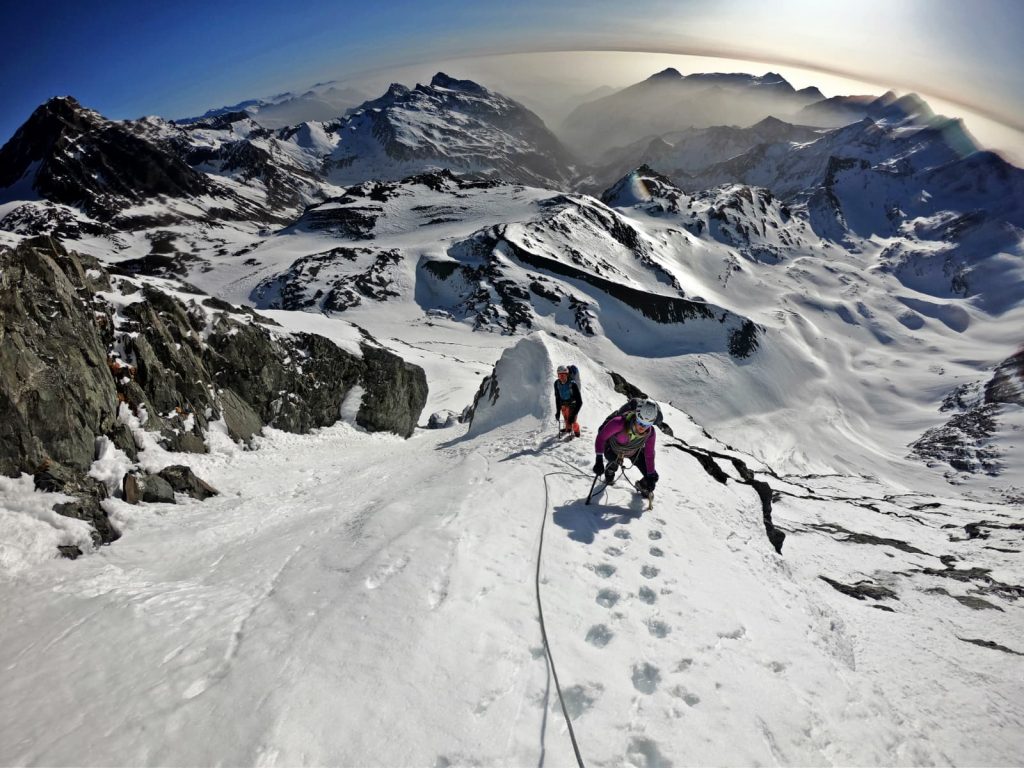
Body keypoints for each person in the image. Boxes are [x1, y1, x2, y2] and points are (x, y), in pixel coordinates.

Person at [592, 399, 660, 497]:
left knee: (653, 476)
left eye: (646, 425)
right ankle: (611, 469)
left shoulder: (650, 433)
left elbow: (649, 454)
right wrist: (598, 459)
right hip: (613, 449)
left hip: (634, 451)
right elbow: (601, 438)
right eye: (640, 422)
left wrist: (650, 475)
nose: (642, 427)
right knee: (613, 460)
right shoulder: (619, 423)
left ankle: (643, 485)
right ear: (636, 416)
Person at [553, 364, 582, 438]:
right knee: (566, 419)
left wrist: (574, 414)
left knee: (573, 421)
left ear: (567, 375)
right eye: (560, 375)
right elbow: (557, 398)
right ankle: (568, 429)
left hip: (573, 404)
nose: (562, 377)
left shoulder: (572, 384)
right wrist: (558, 412)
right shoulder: (556, 384)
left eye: (563, 375)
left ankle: (576, 431)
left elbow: (579, 401)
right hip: (563, 404)